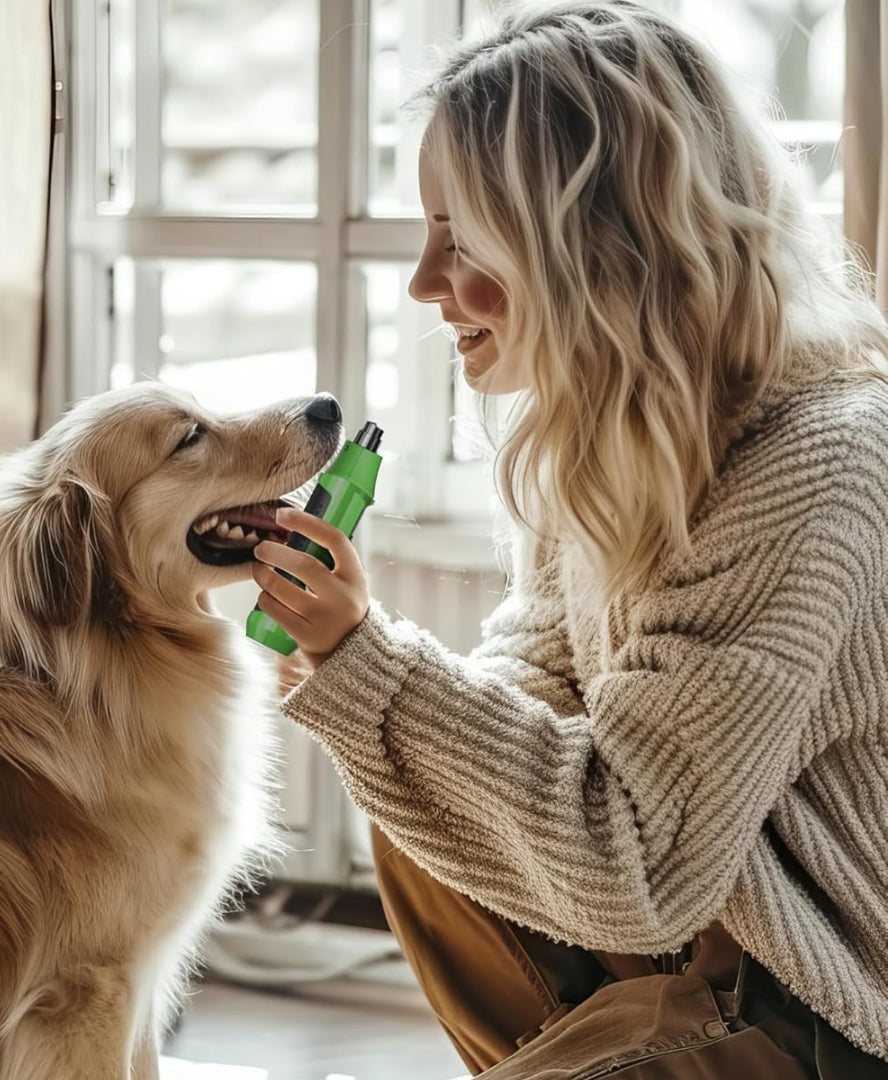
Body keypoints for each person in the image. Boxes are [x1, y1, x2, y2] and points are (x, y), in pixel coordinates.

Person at [251, 2, 888, 1076]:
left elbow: (642, 866)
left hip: (826, 999)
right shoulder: (610, 429)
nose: (421, 283)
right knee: (424, 811)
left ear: (592, 242)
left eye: (461, 241)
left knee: (422, 753)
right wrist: (359, 665)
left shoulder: (819, 463)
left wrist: (369, 662)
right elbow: (534, 686)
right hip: (693, 943)